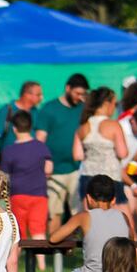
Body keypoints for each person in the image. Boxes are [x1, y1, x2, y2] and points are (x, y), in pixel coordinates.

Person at [33, 74, 89, 232]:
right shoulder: (50, 109)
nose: (79, 97)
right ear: (68, 88)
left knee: (80, 212)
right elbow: (40, 139)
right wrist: (42, 163)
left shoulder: (84, 109)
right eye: (77, 93)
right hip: (54, 171)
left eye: (83, 94)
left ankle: (84, 250)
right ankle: (55, 250)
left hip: (77, 169)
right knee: (54, 213)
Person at [0, 110, 53, 264]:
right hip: (39, 195)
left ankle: (12, 261)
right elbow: (49, 168)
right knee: (38, 229)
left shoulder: (8, 150)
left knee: (18, 231)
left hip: (16, 195)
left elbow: (4, 176)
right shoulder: (41, 147)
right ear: (31, 127)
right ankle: (41, 264)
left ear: (14, 129)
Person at [73, 87, 129, 209]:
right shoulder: (113, 125)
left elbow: (78, 156)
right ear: (106, 104)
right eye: (115, 103)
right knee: (124, 222)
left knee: (91, 222)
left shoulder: (82, 127)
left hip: (88, 177)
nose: (115, 107)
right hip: (110, 178)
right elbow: (122, 153)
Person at [0, 81, 44, 152]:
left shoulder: (37, 112)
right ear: (27, 95)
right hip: (9, 159)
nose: (41, 97)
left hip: (31, 159)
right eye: (38, 95)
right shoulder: (7, 110)